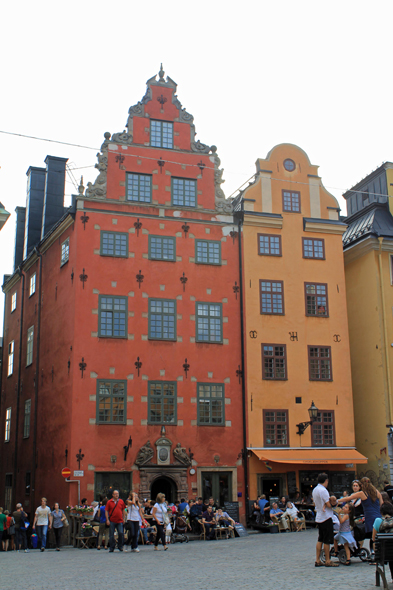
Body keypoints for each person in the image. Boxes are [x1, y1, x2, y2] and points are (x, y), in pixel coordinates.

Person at [338, 476, 382, 555]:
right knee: (376, 536)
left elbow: (348, 498)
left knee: (372, 536)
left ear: (362, 485)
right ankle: (375, 554)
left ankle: (374, 555)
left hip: (370, 518)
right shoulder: (377, 492)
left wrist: (337, 500)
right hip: (378, 517)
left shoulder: (363, 493)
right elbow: (381, 504)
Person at [312, 473, 338, 567]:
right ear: (326, 480)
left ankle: (317, 559)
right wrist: (335, 503)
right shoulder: (323, 490)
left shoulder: (315, 490)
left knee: (320, 539)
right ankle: (328, 560)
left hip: (319, 516)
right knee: (327, 540)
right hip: (326, 517)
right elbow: (328, 504)